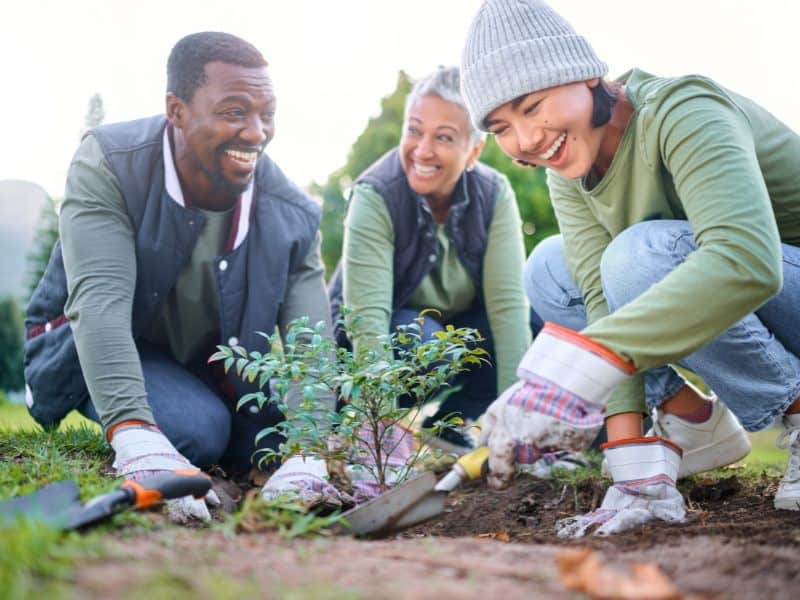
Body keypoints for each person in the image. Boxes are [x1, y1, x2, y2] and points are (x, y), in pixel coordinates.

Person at [461, 0, 800, 536]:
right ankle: (691, 423)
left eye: (533, 106)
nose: (525, 142)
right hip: (747, 293)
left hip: (785, 280)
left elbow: (747, 259)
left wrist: (576, 371)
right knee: (551, 270)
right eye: (502, 127)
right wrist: (630, 462)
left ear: (586, 74)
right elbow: (600, 301)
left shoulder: (683, 108)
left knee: (639, 257)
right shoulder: (568, 172)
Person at [23, 32, 352, 523]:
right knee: (197, 430)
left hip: (206, 363)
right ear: (176, 110)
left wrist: (306, 452)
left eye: (267, 114)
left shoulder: (291, 212)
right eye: (235, 111)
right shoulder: (110, 163)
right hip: (100, 340)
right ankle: (113, 406)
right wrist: (136, 434)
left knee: (269, 442)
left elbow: (311, 344)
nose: (257, 132)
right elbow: (100, 304)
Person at [328, 66, 532, 454]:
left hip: (448, 331)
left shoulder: (494, 194)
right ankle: (360, 426)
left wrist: (513, 421)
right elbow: (366, 320)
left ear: (473, 151)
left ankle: (456, 424)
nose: (422, 150)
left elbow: (508, 308)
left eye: (443, 137)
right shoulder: (375, 194)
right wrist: (382, 426)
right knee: (428, 344)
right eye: (414, 130)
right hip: (373, 343)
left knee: (532, 325)